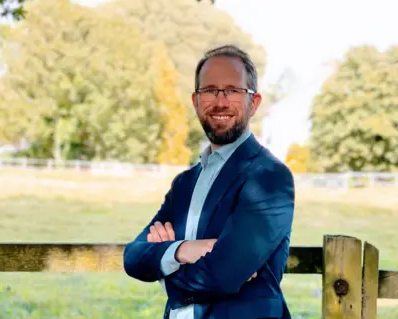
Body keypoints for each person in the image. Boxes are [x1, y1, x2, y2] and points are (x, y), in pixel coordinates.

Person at [123, 44, 295, 319]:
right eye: (210, 90)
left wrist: (165, 269)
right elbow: (133, 257)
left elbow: (222, 276)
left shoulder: (269, 177)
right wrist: (183, 250)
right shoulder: (185, 183)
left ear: (255, 102)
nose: (221, 101)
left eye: (233, 90)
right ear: (196, 101)